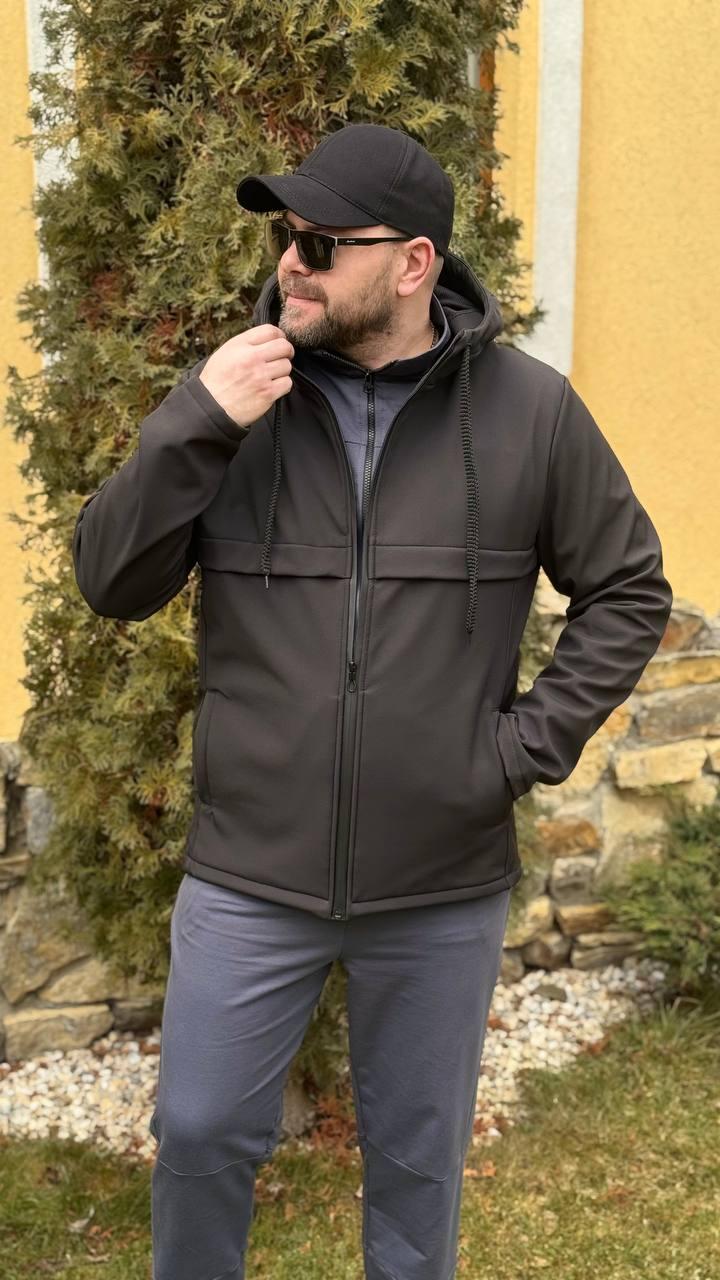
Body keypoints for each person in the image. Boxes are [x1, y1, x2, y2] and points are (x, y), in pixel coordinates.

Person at [72, 122, 673, 1279]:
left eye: (321, 243)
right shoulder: (235, 397)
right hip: (250, 866)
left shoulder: (530, 411)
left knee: (416, 1167)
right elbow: (110, 580)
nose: (290, 262)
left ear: (412, 263)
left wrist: (513, 752)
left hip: (439, 878)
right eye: (286, 237)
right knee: (197, 1131)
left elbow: (629, 589)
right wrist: (197, 420)